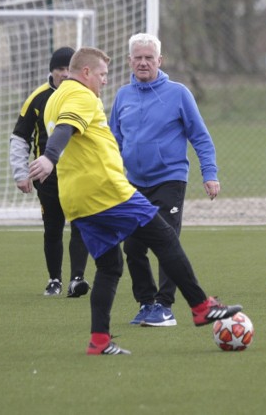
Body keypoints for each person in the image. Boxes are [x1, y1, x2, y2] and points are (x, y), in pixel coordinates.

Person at [28, 47, 242, 355]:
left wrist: (52, 159)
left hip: (78, 200)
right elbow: (66, 127)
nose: (104, 81)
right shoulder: (81, 95)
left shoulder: (55, 97)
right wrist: (49, 158)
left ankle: (99, 341)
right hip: (107, 191)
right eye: (102, 75)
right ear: (86, 72)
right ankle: (201, 307)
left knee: (110, 266)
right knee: (165, 237)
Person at [110, 33, 220, 327]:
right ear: (129, 61)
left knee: (166, 242)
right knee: (132, 247)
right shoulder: (123, 96)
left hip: (170, 180)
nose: (143, 62)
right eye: (138, 58)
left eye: (149, 57)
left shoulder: (178, 93)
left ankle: (165, 306)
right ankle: (146, 304)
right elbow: (112, 142)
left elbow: (200, 137)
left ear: (160, 61)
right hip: (133, 184)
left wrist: (210, 174)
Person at [9, 47, 90, 297]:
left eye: (69, 69)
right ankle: (54, 280)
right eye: (60, 69)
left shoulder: (85, 96)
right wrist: (20, 173)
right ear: (51, 71)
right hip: (48, 176)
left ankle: (77, 279)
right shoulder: (37, 98)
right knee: (53, 228)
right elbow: (20, 137)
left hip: (79, 174)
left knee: (81, 225)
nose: (65, 74)